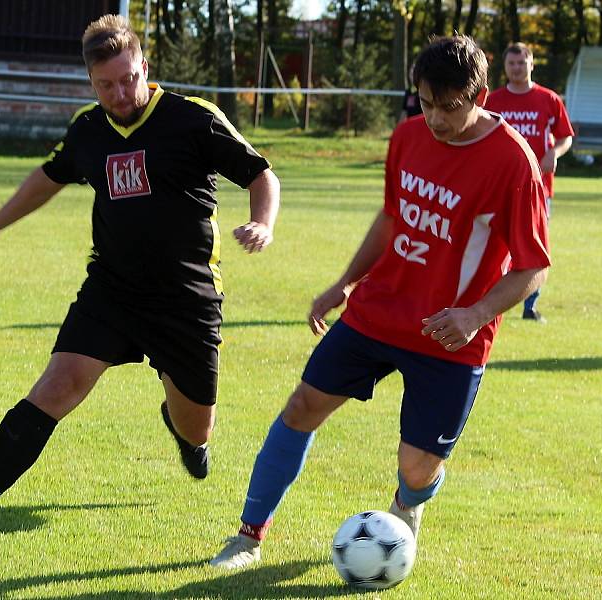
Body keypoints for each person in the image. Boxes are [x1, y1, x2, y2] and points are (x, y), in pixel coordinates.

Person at [0, 14, 280, 533]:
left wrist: (262, 223)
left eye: (128, 78)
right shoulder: (88, 128)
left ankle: (187, 436)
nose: (119, 93)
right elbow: (49, 176)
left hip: (187, 298)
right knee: (57, 384)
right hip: (113, 290)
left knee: (195, 426)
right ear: (90, 82)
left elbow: (260, 173)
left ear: (144, 65)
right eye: (105, 84)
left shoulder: (192, 118)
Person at [210, 35, 550, 570]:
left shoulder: (514, 162)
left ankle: (407, 506)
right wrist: (345, 283)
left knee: (416, 469)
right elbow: (393, 217)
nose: (434, 118)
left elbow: (533, 267)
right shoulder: (408, 135)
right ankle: (248, 538)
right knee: (301, 408)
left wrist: (474, 314)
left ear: (480, 95)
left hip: (450, 337)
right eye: (426, 102)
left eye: (449, 106)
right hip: (378, 312)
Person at [485, 42, 573, 323]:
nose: (517, 68)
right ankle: (490, 297)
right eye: (511, 64)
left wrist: (554, 153)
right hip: (499, 186)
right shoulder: (493, 101)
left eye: (522, 63)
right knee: (496, 244)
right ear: (505, 67)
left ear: (532, 64)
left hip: (538, 187)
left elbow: (565, 137)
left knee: (535, 247)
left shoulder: (548, 99)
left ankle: (529, 306)